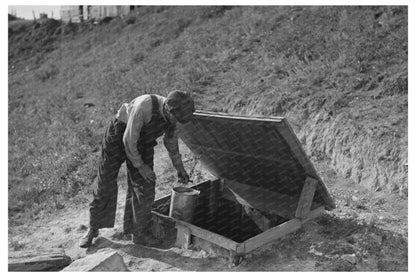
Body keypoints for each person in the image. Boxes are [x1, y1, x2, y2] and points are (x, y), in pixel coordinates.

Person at [79, 90, 195, 248]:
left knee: (145, 187)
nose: (176, 122)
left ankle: (139, 233)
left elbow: (171, 144)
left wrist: (180, 168)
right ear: (168, 109)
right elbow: (128, 140)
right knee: (105, 182)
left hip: (143, 143)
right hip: (119, 136)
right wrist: (141, 166)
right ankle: (93, 228)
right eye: (176, 118)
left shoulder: (174, 117)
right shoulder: (144, 106)